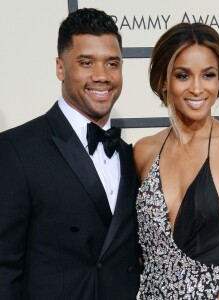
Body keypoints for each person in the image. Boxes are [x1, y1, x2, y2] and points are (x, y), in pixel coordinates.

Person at [0, 8, 140, 300]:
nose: (102, 76)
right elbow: (4, 268)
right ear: (60, 68)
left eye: (112, 63)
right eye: (86, 62)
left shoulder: (131, 157)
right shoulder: (16, 150)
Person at [134, 22, 219, 299]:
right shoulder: (143, 151)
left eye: (208, 75)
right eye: (183, 75)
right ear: (164, 80)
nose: (197, 88)